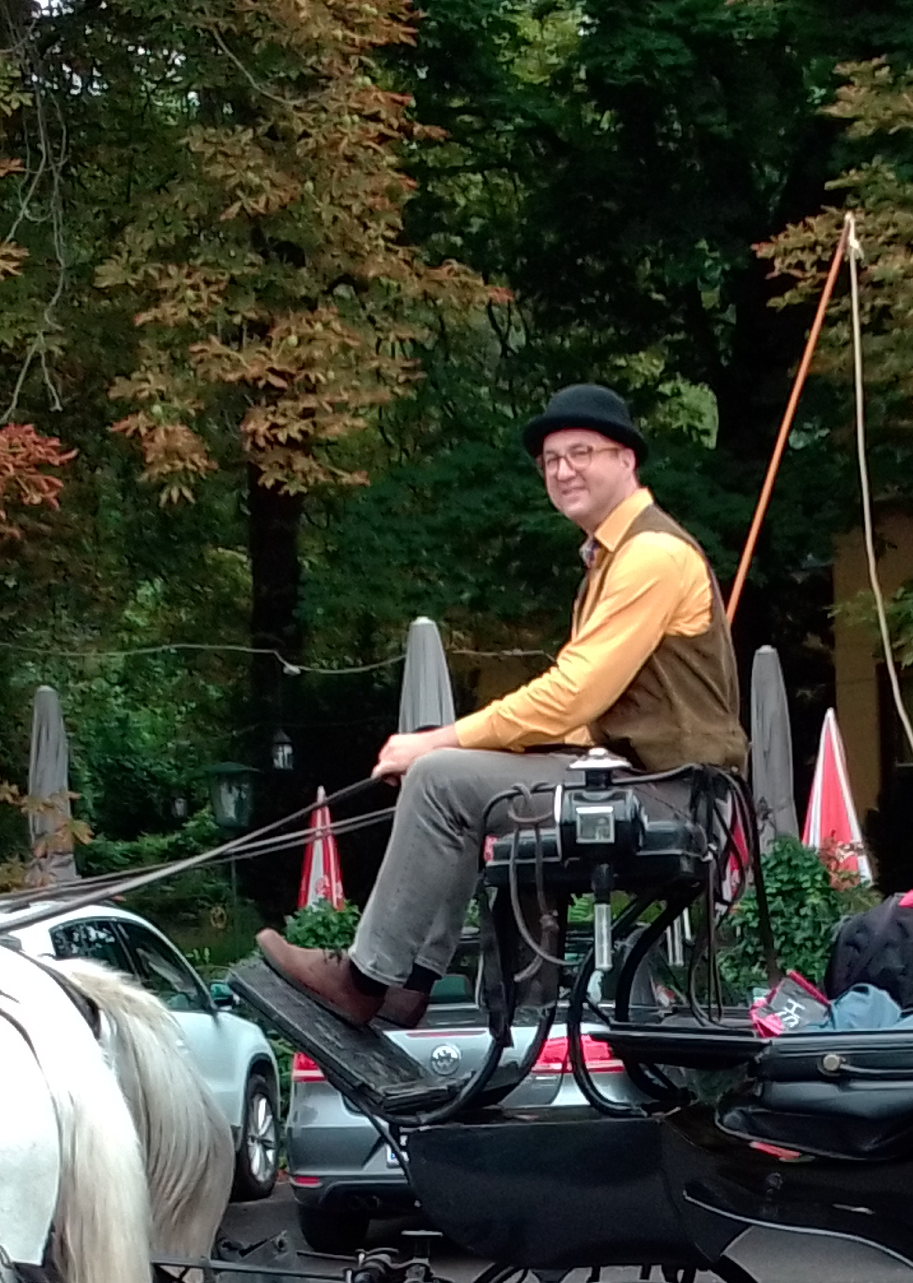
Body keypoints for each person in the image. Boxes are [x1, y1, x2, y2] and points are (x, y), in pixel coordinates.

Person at [254, 386, 744, 1030]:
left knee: (438, 777)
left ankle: (365, 980)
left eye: (581, 453)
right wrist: (462, 745)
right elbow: (579, 717)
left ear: (627, 460)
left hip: (673, 795)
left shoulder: (651, 555)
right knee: (452, 777)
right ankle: (406, 984)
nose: (563, 470)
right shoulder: (615, 557)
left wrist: (437, 745)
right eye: (550, 460)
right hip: (645, 783)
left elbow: (574, 694)